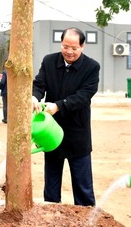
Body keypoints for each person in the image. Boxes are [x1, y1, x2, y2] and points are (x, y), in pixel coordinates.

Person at [32, 27, 100, 206]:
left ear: (82, 46)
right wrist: (34, 97)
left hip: (77, 132)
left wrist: (58, 106)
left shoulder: (92, 67)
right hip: (51, 131)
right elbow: (39, 84)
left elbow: (84, 96)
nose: (69, 52)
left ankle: (87, 218)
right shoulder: (49, 61)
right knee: (51, 185)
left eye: (74, 48)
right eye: (65, 46)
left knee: (83, 185)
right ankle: (51, 216)